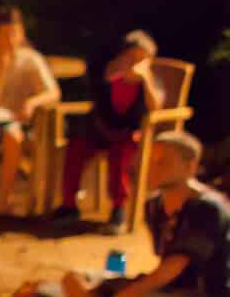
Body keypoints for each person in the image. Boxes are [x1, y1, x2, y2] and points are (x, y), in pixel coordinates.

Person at [10, 131, 230, 297]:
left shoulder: (207, 209)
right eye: (151, 160)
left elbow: (171, 268)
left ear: (190, 167)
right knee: (74, 278)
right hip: (164, 290)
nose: (152, 168)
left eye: (163, 162)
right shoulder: (154, 206)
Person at [0, 6, 62, 214]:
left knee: (12, 138)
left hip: (16, 119)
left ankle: (4, 195)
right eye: (5, 35)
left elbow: (53, 92)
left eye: (15, 34)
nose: (11, 40)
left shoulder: (31, 59)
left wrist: (32, 102)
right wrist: (0, 73)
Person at [59, 31, 157, 227]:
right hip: (101, 131)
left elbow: (155, 106)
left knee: (120, 157)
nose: (135, 62)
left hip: (128, 135)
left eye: (141, 58)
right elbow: (101, 101)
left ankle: (118, 209)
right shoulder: (111, 74)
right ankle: (69, 206)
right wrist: (114, 77)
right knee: (76, 147)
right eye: (132, 56)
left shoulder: (150, 81)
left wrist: (145, 80)